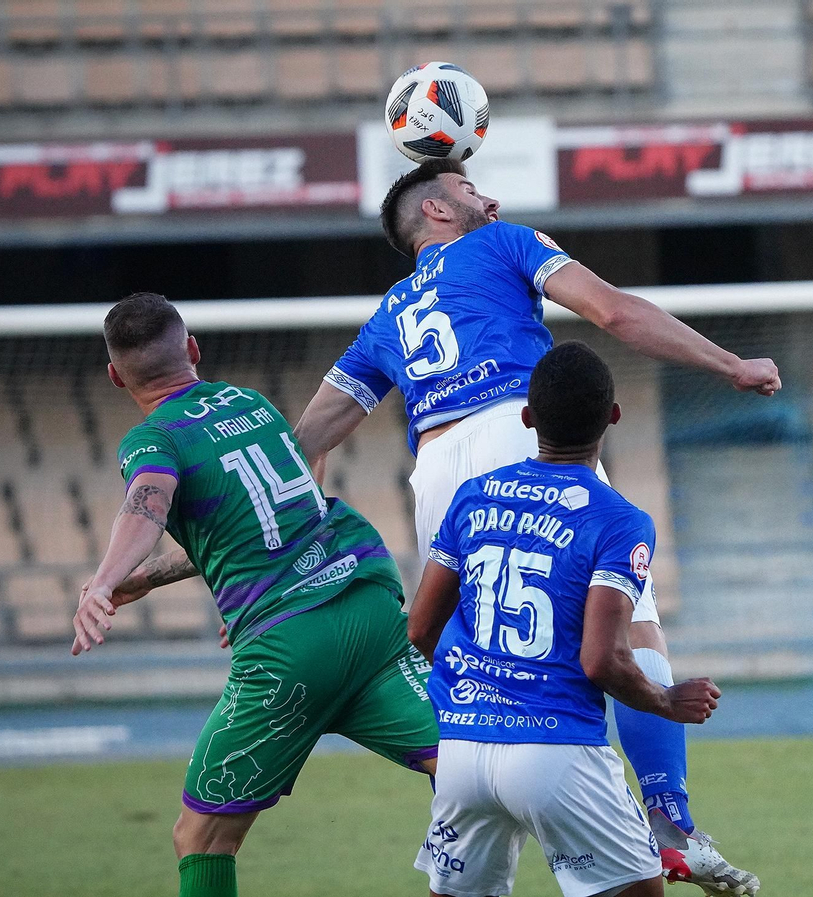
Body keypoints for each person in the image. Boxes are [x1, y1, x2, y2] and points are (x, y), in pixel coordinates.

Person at [294, 159, 769, 895]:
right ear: (440, 212)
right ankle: (669, 825)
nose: (490, 196)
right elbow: (613, 312)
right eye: (470, 188)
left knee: (476, 656)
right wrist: (730, 363)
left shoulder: (386, 315)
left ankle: (471, 816)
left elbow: (308, 442)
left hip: (441, 475)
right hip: (523, 432)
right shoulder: (505, 242)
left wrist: (284, 567)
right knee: (632, 637)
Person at [71, 292, 442, 897]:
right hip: (368, 605)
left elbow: (149, 500)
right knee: (472, 763)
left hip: (289, 652)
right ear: (193, 349)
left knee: (202, 839)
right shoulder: (251, 404)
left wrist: (107, 579)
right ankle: (612, 838)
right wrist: (146, 579)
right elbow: (271, 513)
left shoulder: (153, 438)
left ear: (115, 377)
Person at [407, 341, 724, 897]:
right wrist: (666, 701)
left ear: (528, 417)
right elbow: (603, 658)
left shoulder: (472, 497)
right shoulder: (619, 520)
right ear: (613, 418)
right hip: (556, 749)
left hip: (462, 750)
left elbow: (419, 627)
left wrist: (482, 685)